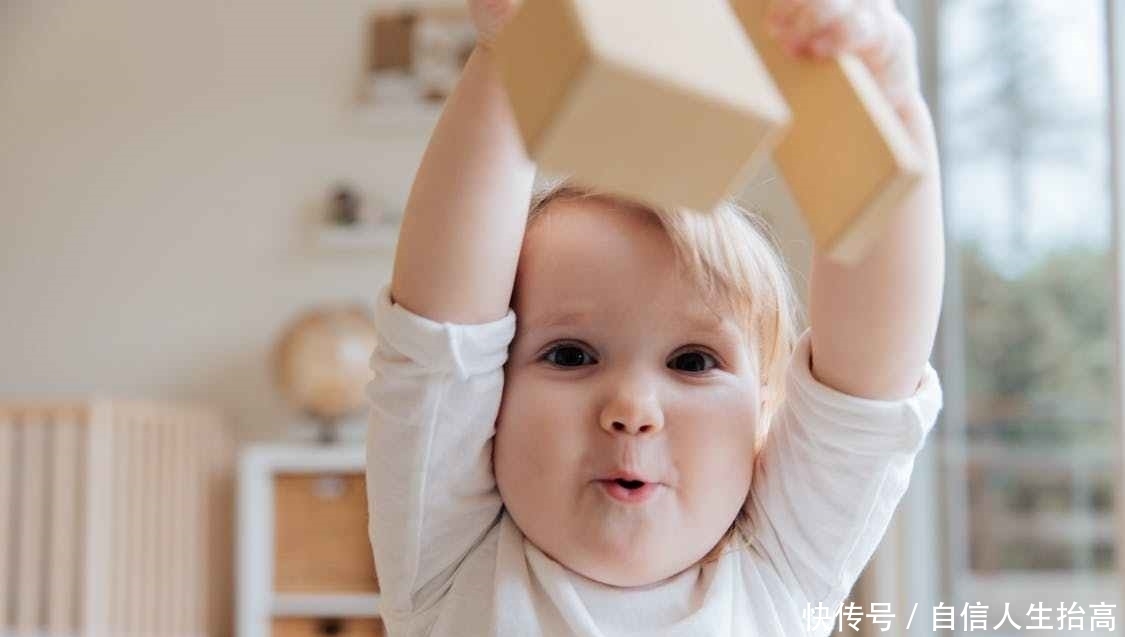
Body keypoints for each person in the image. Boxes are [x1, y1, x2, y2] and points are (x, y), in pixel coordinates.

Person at [365, 0, 945, 634]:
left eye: (693, 362)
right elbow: (440, 339)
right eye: (570, 355)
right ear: (488, 403)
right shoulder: (452, 560)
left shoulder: (779, 571)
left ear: (761, 414)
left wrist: (891, 111)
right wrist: (517, 48)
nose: (633, 409)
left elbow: (868, 387)